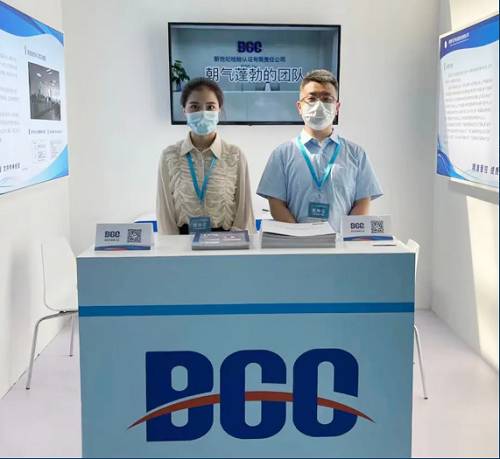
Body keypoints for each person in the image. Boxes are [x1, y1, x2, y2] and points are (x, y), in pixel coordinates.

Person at [257, 69, 382, 231]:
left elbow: (363, 202)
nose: (319, 105)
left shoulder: (356, 154)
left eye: (326, 99)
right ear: (299, 107)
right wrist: (301, 236)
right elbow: (276, 204)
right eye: (311, 98)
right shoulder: (282, 154)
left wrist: (343, 237)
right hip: (296, 244)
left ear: (337, 107)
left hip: (341, 244)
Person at [156, 77, 254, 234]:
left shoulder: (234, 155)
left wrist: (237, 244)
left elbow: (244, 209)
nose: (203, 113)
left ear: (219, 110)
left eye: (210, 107)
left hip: (226, 241)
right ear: (184, 111)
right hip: (182, 241)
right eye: (194, 107)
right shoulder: (170, 156)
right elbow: (165, 211)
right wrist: (171, 246)